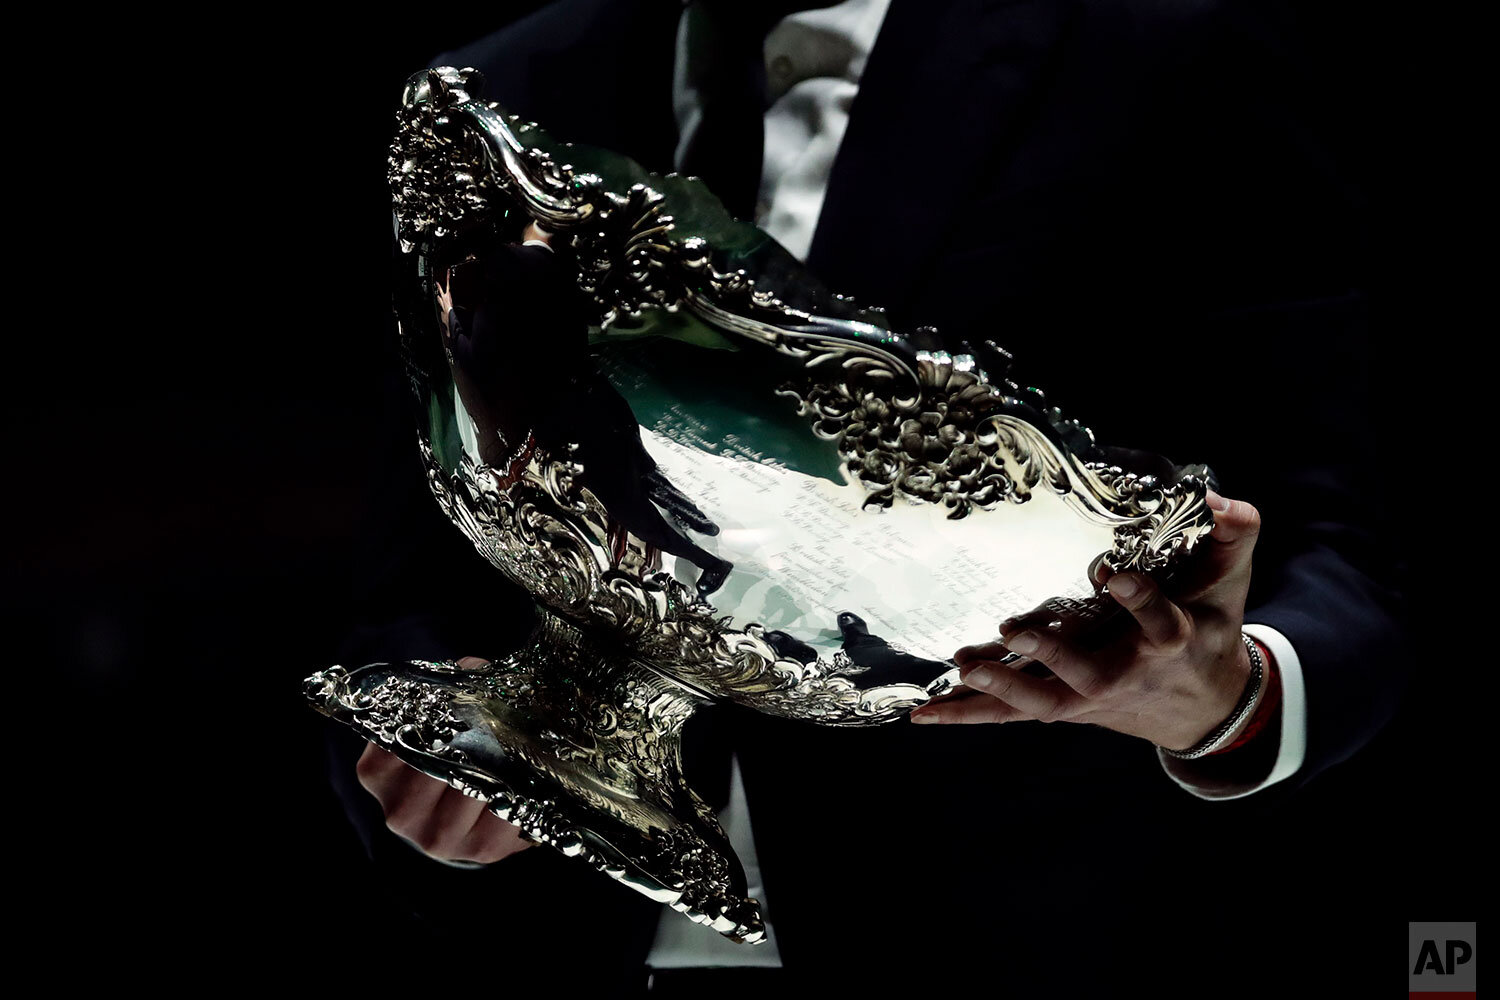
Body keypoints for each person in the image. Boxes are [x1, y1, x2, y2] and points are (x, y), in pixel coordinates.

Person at [326, 0, 1404, 990]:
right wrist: (440, 763)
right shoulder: (496, 86)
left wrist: (1229, 701)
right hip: (582, 958)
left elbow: (1342, 540)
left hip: (1031, 951)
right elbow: (403, 574)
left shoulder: (1168, 48)